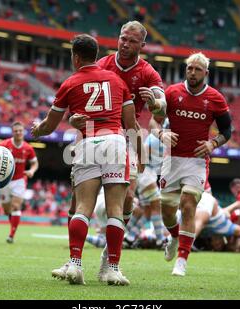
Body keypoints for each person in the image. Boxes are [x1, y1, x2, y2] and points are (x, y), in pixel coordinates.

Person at [31, 34, 142, 285]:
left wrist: (37, 130)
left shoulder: (70, 83)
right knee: (115, 209)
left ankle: (76, 264)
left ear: (76, 57)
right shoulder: (117, 80)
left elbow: (49, 125)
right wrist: (140, 154)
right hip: (114, 142)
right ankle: (112, 268)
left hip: (88, 143)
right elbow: (131, 123)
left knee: (82, 208)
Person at [67, 20, 166, 279]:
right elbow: (79, 97)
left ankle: (109, 262)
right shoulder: (102, 65)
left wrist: (155, 103)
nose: (125, 43)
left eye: (132, 40)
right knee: (77, 202)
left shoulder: (148, 73)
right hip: (93, 134)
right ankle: (73, 261)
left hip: (127, 136)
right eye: (123, 38)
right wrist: (75, 118)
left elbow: (162, 109)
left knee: (127, 198)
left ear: (142, 45)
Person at [149, 52, 232, 276]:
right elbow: (153, 122)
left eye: (197, 69)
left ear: (206, 72)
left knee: (188, 206)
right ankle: (175, 236)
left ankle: (182, 261)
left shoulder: (215, 98)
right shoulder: (172, 92)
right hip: (172, 160)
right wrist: (161, 134)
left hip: (197, 161)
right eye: (189, 68)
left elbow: (227, 131)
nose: (192, 72)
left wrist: (213, 143)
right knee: (167, 213)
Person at [0, 121, 39, 244]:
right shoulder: (4, 145)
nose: (18, 133)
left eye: (20, 130)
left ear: (23, 132)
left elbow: (35, 163)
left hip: (20, 180)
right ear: (13, 132)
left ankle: (11, 235)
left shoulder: (28, 148)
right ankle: (13, 223)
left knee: (16, 206)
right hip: (5, 180)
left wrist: (32, 171)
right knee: (6, 210)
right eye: (16, 131)